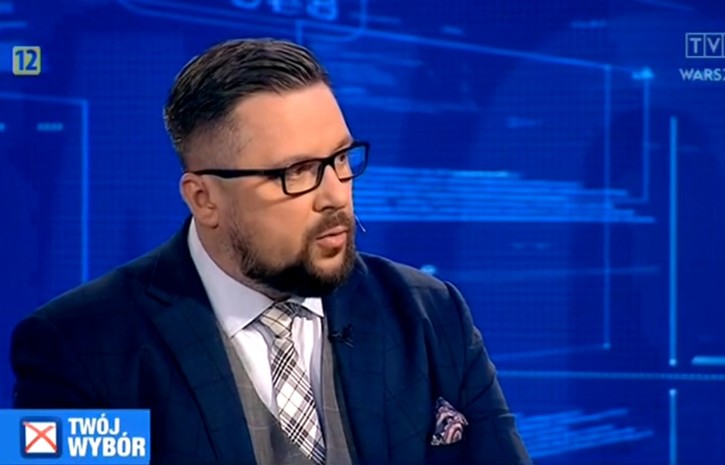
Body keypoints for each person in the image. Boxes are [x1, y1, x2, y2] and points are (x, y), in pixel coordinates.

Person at [9, 38, 532, 465]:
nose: (335, 195)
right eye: (296, 172)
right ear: (204, 199)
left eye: (341, 159)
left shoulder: (431, 314)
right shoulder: (77, 346)